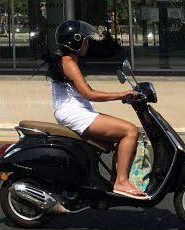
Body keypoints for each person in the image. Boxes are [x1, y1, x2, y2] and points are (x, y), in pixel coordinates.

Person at [47, 20, 148, 200]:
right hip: (74, 114)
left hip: (76, 111)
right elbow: (89, 94)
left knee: (123, 131)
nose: (87, 44)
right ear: (75, 41)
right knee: (130, 131)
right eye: (85, 41)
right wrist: (122, 94)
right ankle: (121, 182)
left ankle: (118, 178)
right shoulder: (68, 62)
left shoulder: (70, 61)